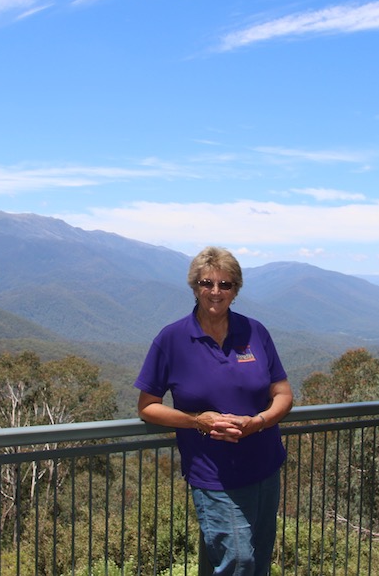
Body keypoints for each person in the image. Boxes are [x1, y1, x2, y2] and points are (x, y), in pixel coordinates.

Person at [135, 246, 294, 576]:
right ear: (194, 287)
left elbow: (283, 394)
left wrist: (260, 421)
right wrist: (197, 421)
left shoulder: (255, 332)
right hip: (213, 474)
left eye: (226, 284)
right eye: (207, 283)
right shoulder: (172, 340)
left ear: (236, 290)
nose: (216, 292)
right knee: (239, 560)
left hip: (265, 466)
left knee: (258, 560)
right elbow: (148, 407)